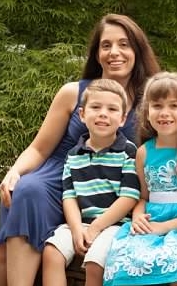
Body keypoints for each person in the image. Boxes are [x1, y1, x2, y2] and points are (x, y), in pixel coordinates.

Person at [0, 14, 160, 286]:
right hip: (58, 179)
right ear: (96, 54)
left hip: (114, 186)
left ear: (137, 50)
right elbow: (39, 149)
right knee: (26, 189)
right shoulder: (72, 93)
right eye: (106, 45)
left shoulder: (152, 99)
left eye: (124, 44)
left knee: (6, 245)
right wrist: (14, 171)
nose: (114, 52)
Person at [103, 72, 177, 286]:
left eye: (174, 106)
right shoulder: (143, 153)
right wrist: (138, 216)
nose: (164, 113)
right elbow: (142, 197)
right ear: (146, 111)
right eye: (157, 106)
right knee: (124, 265)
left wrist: (166, 227)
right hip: (152, 223)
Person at [43, 79, 141, 286]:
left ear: (123, 119)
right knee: (51, 252)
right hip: (81, 223)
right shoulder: (73, 155)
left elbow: (129, 197)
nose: (103, 113)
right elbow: (69, 197)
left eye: (112, 109)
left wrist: (96, 228)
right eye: (95, 107)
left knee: (95, 262)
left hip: (116, 226)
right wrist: (77, 229)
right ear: (82, 114)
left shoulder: (129, 152)